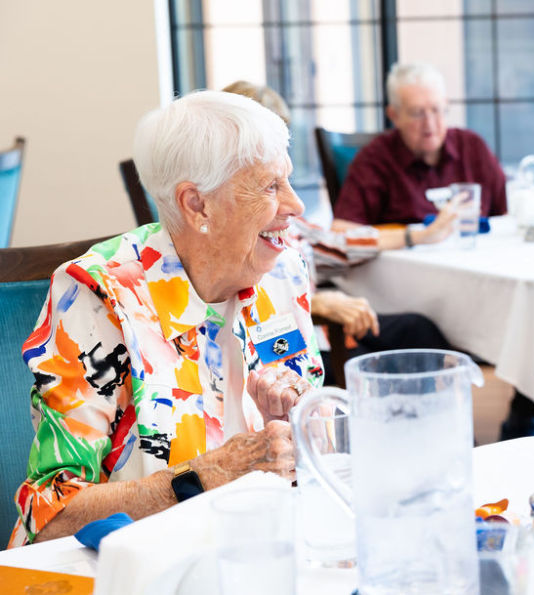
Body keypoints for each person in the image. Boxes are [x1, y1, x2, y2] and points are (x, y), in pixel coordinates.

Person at [9, 91, 322, 547]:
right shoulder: (101, 296)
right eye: (271, 187)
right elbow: (51, 517)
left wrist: (296, 424)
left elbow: (313, 440)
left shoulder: (282, 271)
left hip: (258, 550)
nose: (296, 205)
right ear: (197, 205)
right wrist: (208, 474)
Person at [220, 81, 452, 370]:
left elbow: (336, 245)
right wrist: (316, 304)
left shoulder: (287, 216)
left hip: (321, 330)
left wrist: (419, 235)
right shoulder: (226, 221)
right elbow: (233, 299)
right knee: (383, 370)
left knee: (419, 332)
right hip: (280, 344)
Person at [333, 62, 507, 228]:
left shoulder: (472, 147)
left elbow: (508, 215)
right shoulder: (374, 159)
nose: (429, 124)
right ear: (394, 115)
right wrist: (413, 236)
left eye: (436, 110)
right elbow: (341, 230)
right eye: (417, 113)